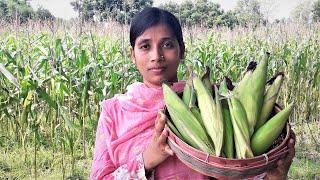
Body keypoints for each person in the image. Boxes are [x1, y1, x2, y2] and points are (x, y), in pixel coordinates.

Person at [90, 7, 295, 180]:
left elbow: (236, 165)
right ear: (132, 55)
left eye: (167, 44)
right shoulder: (114, 112)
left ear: (182, 50)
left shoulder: (213, 101)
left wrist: (271, 177)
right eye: (145, 46)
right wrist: (147, 159)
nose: (157, 56)